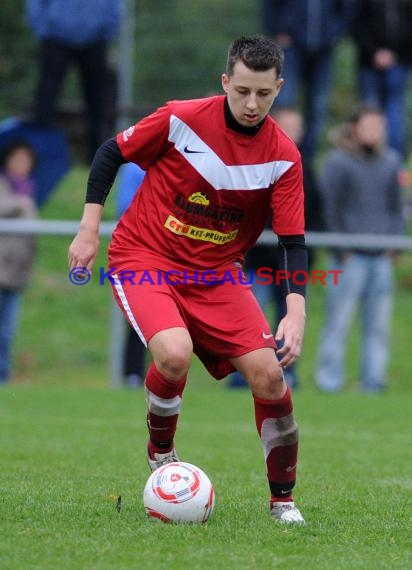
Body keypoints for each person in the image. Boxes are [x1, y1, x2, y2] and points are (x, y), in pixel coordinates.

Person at [69, 36, 308, 524]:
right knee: (173, 354)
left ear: (278, 89)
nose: (251, 103)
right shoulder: (181, 118)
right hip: (146, 255)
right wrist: (89, 229)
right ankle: (162, 452)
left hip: (217, 274)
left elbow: (292, 241)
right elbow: (110, 152)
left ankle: (282, 502)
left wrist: (296, 308)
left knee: (269, 376)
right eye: (241, 90)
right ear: (225, 82)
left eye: (263, 94)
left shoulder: (284, 156)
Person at [228, 107, 324, 390]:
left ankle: (286, 374)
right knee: (251, 319)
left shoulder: (305, 167)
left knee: (289, 319)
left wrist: (310, 254)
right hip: (257, 259)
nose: (294, 131)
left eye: (298, 126)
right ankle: (241, 375)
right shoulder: (257, 161)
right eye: (288, 125)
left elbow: (315, 212)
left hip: (290, 264)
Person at [316, 104, 404, 393]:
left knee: (378, 327)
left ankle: (373, 382)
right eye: (369, 126)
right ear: (356, 128)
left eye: (379, 126)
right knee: (338, 322)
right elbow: (328, 207)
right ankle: (329, 381)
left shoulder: (391, 161)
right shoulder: (338, 162)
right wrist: (341, 248)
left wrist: (394, 245)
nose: (375, 132)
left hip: (381, 257)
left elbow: (396, 208)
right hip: (347, 258)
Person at [25, 0, 123, 163]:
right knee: (45, 100)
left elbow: (116, 5)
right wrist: (42, 29)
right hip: (56, 37)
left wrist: (108, 29)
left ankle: (98, 159)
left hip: (95, 38)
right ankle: (36, 155)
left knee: (97, 102)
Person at [261, 0, 355, 164]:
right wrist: (277, 29)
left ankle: (306, 164)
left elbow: (347, 7)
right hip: (290, 45)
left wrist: (337, 33)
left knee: (317, 108)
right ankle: (274, 158)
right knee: (284, 104)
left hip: (324, 47)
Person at [351, 0, 412, 159]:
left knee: (394, 110)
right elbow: (357, 24)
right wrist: (373, 53)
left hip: (400, 62)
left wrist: (396, 55)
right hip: (369, 63)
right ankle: (368, 157)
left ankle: (394, 160)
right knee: (370, 109)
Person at [0, 140, 37, 384]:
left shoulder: (29, 190)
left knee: (7, 332)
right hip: (1, 269)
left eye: (26, 160)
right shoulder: (5, 186)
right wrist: (18, 204)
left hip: (17, 273)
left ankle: (3, 376)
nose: (22, 164)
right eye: (17, 159)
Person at [116, 163, 147, 388]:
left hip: (178, 253)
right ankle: (133, 374)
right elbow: (125, 206)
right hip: (142, 252)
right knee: (140, 315)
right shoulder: (135, 168)